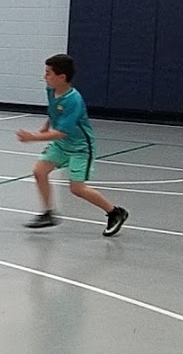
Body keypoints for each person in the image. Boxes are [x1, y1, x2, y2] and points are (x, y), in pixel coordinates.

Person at [17, 53, 129, 235]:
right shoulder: (51, 89)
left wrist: (33, 137)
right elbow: (54, 112)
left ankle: (115, 212)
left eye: (48, 73)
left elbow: (61, 131)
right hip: (62, 145)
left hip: (80, 148)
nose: (45, 76)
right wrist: (46, 125)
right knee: (39, 171)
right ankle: (48, 213)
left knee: (77, 188)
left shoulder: (74, 100)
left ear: (61, 77)